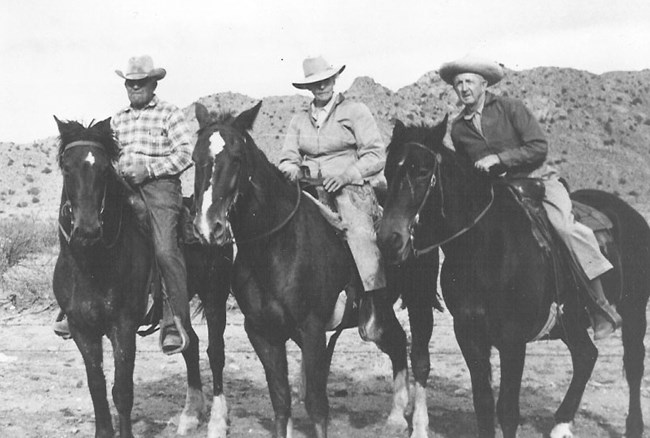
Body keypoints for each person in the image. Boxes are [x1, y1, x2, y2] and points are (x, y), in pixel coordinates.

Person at [438, 55, 622, 340]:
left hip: (539, 182)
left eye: (469, 82)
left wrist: (499, 159)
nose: (463, 88)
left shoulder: (511, 109)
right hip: (498, 194)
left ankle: (600, 305)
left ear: (483, 84)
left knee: (564, 227)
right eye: (458, 83)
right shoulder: (459, 128)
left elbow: (538, 147)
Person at [54, 55, 194, 355]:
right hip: (122, 187)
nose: (134, 88)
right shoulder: (117, 119)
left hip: (160, 187)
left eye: (140, 82)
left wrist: (150, 169)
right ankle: (73, 306)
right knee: (88, 227)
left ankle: (172, 318)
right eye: (130, 83)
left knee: (165, 248)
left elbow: (186, 153)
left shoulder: (170, 113)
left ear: (153, 83)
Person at [278, 56, 387, 339]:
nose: (321, 86)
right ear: (309, 87)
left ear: (334, 80)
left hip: (349, 188)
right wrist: (293, 171)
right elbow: (287, 158)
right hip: (311, 189)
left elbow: (375, 154)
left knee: (358, 232)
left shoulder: (354, 111)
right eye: (315, 83)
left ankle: (373, 303)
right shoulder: (299, 120)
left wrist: (347, 174)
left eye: (325, 80)